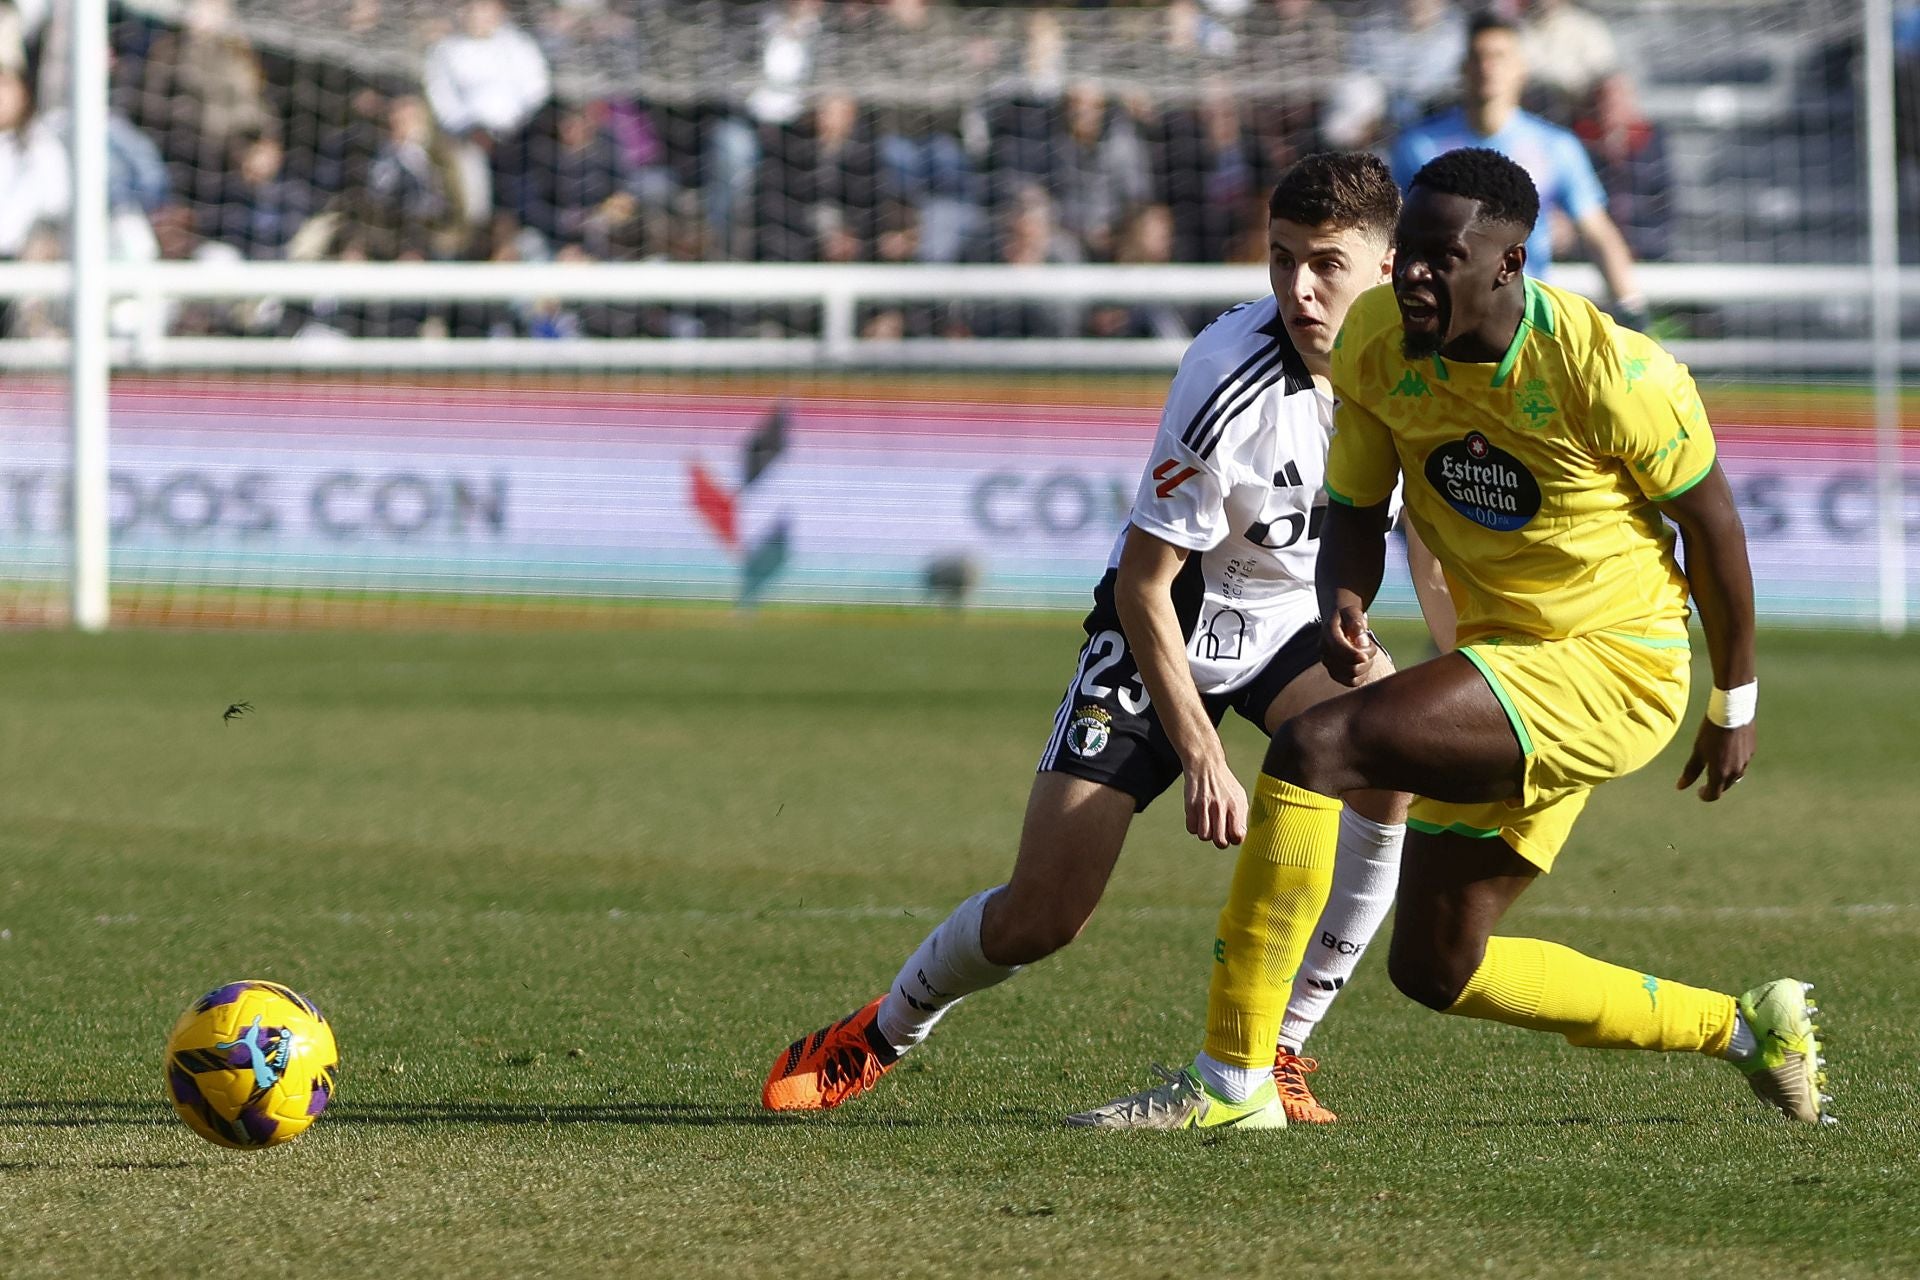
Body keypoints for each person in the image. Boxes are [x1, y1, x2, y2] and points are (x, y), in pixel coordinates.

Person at [762, 152, 1454, 1128]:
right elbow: (1142, 582)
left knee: (1392, 759)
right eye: (1281, 257)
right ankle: (880, 1032)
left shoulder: (1423, 369)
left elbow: (1427, 529)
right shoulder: (1226, 377)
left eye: (1326, 264)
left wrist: (1476, 667)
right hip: (1162, 632)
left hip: (1295, 625)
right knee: (1042, 917)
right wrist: (1205, 752)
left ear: (1384, 270)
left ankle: (1283, 1047)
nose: (1299, 286)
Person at [1187, 146, 1829, 1127]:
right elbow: (1356, 500)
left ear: (1508, 262)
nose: (1413, 275)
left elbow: (1715, 528)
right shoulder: (1376, 340)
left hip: (1615, 665)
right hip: (1501, 663)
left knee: (1321, 744)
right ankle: (1750, 1028)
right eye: (1408, 254)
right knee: (1437, 964)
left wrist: (1733, 699)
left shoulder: (1608, 368)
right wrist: (1345, 595)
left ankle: (1227, 1084)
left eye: (1443, 257)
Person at [1390, 14, 1647, 331]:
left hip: (1521, 320)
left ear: (1522, 68)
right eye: (1479, 56)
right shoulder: (1418, 146)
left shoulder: (1555, 147)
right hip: (1438, 316)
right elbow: (1390, 230)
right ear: (1463, 68)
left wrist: (1630, 306)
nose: (1488, 67)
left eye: (1500, 56)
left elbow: (1597, 232)